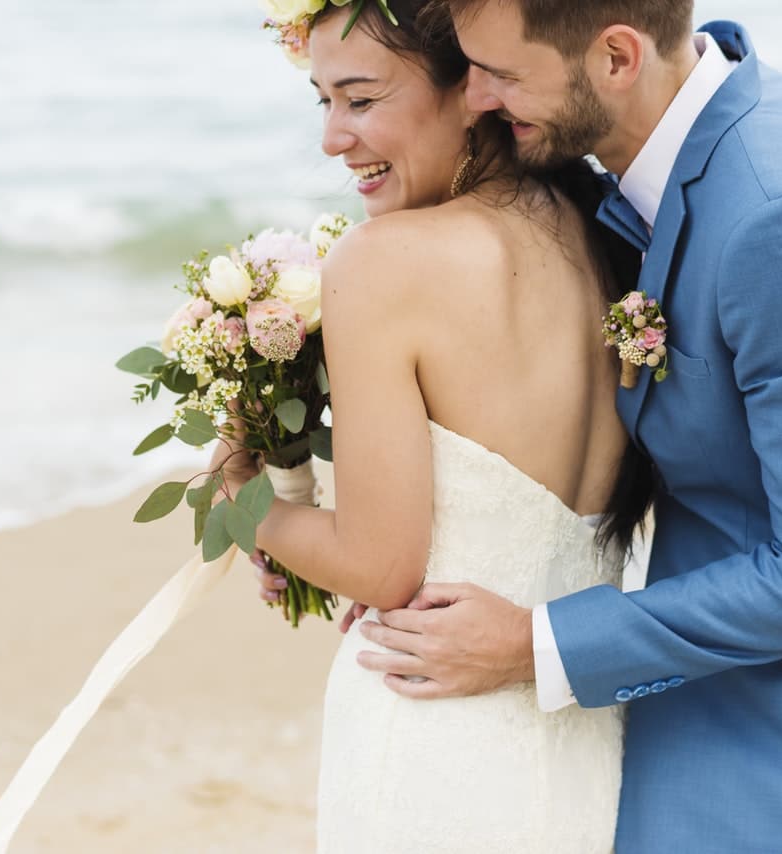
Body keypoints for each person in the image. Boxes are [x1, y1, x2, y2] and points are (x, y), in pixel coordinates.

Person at [340, 2, 782, 851]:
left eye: (503, 75)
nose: (475, 98)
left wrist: (532, 644)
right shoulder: (637, 169)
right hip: (666, 703)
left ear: (617, 58)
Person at [218, 1, 650, 850]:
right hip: (581, 738)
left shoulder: (384, 263)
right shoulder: (607, 240)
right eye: (323, 102)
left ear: (475, 89)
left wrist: (235, 497)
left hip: (432, 738)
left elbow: (378, 566)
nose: (333, 138)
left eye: (362, 98)